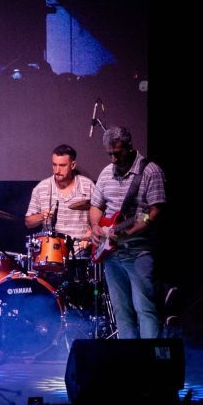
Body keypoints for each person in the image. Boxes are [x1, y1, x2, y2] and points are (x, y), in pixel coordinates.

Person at [88, 127, 167, 339]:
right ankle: (129, 361)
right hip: (112, 253)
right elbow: (96, 206)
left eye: (118, 153)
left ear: (130, 147)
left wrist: (132, 230)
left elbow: (155, 212)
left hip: (139, 251)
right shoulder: (106, 173)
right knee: (121, 311)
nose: (113, 158)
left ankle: (149, 361)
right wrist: (95, 226)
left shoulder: (151, 171)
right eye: (109, 154)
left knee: (145, 309)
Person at [24, 143, 94, 240]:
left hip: (81, 248)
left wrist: (91, 232)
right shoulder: (41, 188)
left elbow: (100, 217)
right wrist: (41, 216)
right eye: (54, 165)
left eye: (62, 165)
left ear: (73, 165)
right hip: (52, 250)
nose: (57, 170)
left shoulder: (88, 186)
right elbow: (28, 222)